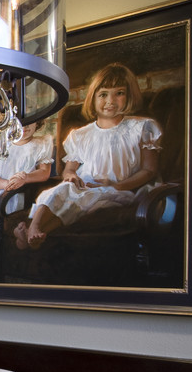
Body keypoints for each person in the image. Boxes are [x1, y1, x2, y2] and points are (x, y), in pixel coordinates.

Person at [16, 63, 162, 250]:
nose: (110, 100)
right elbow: (70, 167)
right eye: (103, 94)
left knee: (79, 205)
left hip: (117, 190)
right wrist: (70, 175)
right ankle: (35, 227)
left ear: (129, 95)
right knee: (58, 191)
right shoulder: (81, 134)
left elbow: (149, 170)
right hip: (83, 185)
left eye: (119, 93)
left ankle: (28, 234)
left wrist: (116, 185)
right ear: (93, 98)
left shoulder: (141, 128)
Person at [0, 121, 53, 280]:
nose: (25, 126)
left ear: (39, 122)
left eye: (30, 121)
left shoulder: (42, 143)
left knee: (9, 230)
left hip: (22, 194)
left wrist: (25, 178)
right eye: (19, 122)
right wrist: (8, 185)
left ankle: (13, 253)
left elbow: (44, 173)